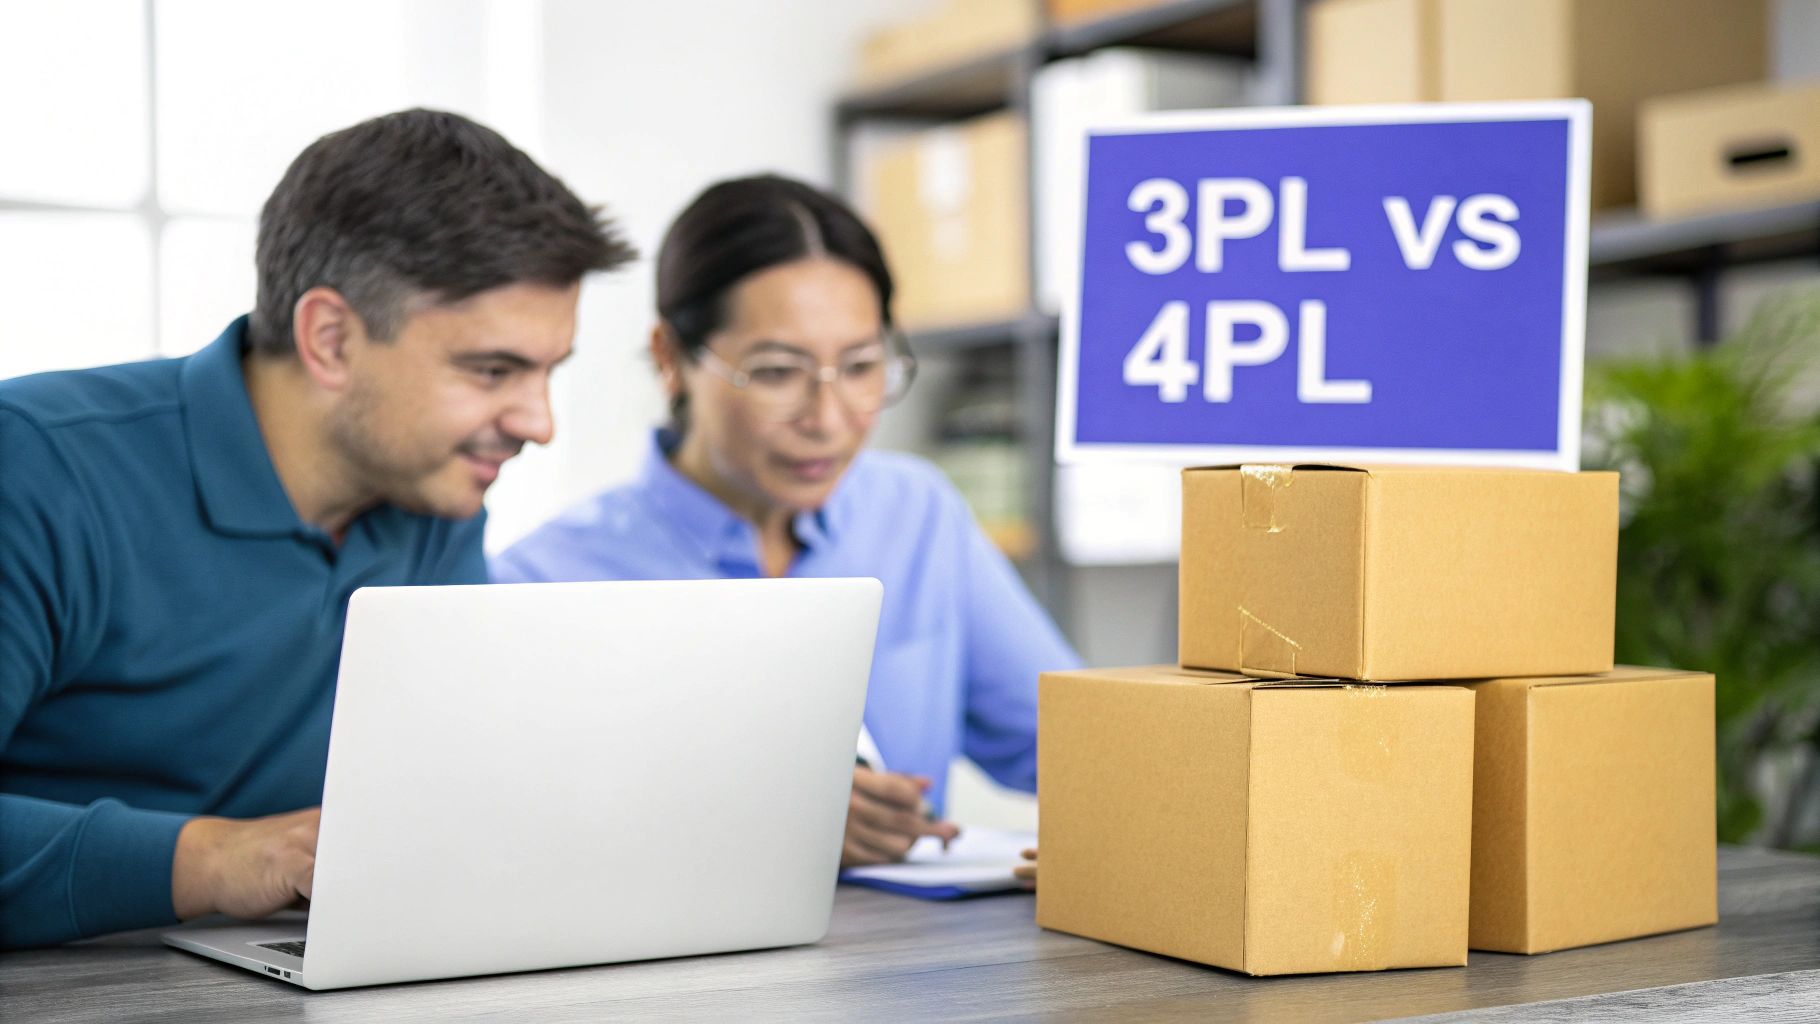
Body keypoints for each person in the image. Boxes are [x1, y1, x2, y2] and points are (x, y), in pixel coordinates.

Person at [0, 109, 634, 949]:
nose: (539, 421)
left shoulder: (435, 500)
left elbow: (448, 793)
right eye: (492, 369)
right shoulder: (39, 467)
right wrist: (210, 859)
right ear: (330, 338)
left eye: (549, 370)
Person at [491, 175, 1081, 867]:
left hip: (915, 966)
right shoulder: (542, 582)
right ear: (670, 359)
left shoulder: (915, 515)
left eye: (862, 366)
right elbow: (529, 842)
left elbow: (1075, 750)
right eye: (777, 372)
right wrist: (764, 825)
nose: (828, 421)